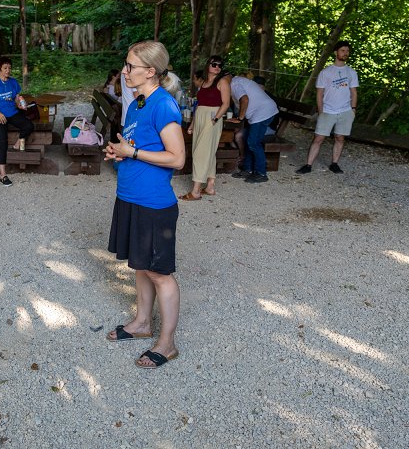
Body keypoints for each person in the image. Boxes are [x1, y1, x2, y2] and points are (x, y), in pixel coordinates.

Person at [103, 40, 185, 369]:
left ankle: (167, 344)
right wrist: (121, 152)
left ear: (150, 71)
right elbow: (137, 144)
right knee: (140, 265)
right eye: (126, 65)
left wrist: (132, 153)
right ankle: (141, 323)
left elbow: (177, 158)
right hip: (130, 196)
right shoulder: (138, 103)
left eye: (130, 66)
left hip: (154, 203)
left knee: (159, 273)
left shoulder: (163, 104)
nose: (124, 72)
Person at [296, 40, 359, 174]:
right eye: (343, 50)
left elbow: (354, 92)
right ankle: (308, 165)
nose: (345, 53)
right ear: (336, 52)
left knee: (340, 137)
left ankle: (334, 164)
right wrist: (321, 110)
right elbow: (320, 93)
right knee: (318, 138)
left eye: (347, 51)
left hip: (345, 110)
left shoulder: (351, 72)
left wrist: (353, 109)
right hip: (328, 110)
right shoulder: (326, 72)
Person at [180, 55, 231, 200]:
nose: (217, 67)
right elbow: (199, 105)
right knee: (207, 151)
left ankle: (195, 191)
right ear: (208, 65)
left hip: (212, 117)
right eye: (214, 64)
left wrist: (214, 119)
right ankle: (209, 187)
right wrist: (192, 124)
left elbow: (226, 104)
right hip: (200, 116)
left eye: (220, 65)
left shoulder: (222, 82)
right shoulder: (203, 83)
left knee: (200, 152)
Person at [0, 57, 34, 186]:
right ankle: (3, 175)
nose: (8, 70)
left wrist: (21, 104)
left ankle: (17, 143)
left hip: (12, 113)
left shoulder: (13, 82)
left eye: (9, 68)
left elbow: (16, 99)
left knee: (28, 125)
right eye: (5, 68)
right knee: (2, 142)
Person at [226, 75, 279, 183]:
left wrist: (240, 118)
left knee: (253, 142)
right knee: (247, 139)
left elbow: (244, 100)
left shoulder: (234, 84)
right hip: (260, 113)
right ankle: (248, 169)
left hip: (263, 113)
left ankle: (261, 173)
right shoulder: (236, 82)